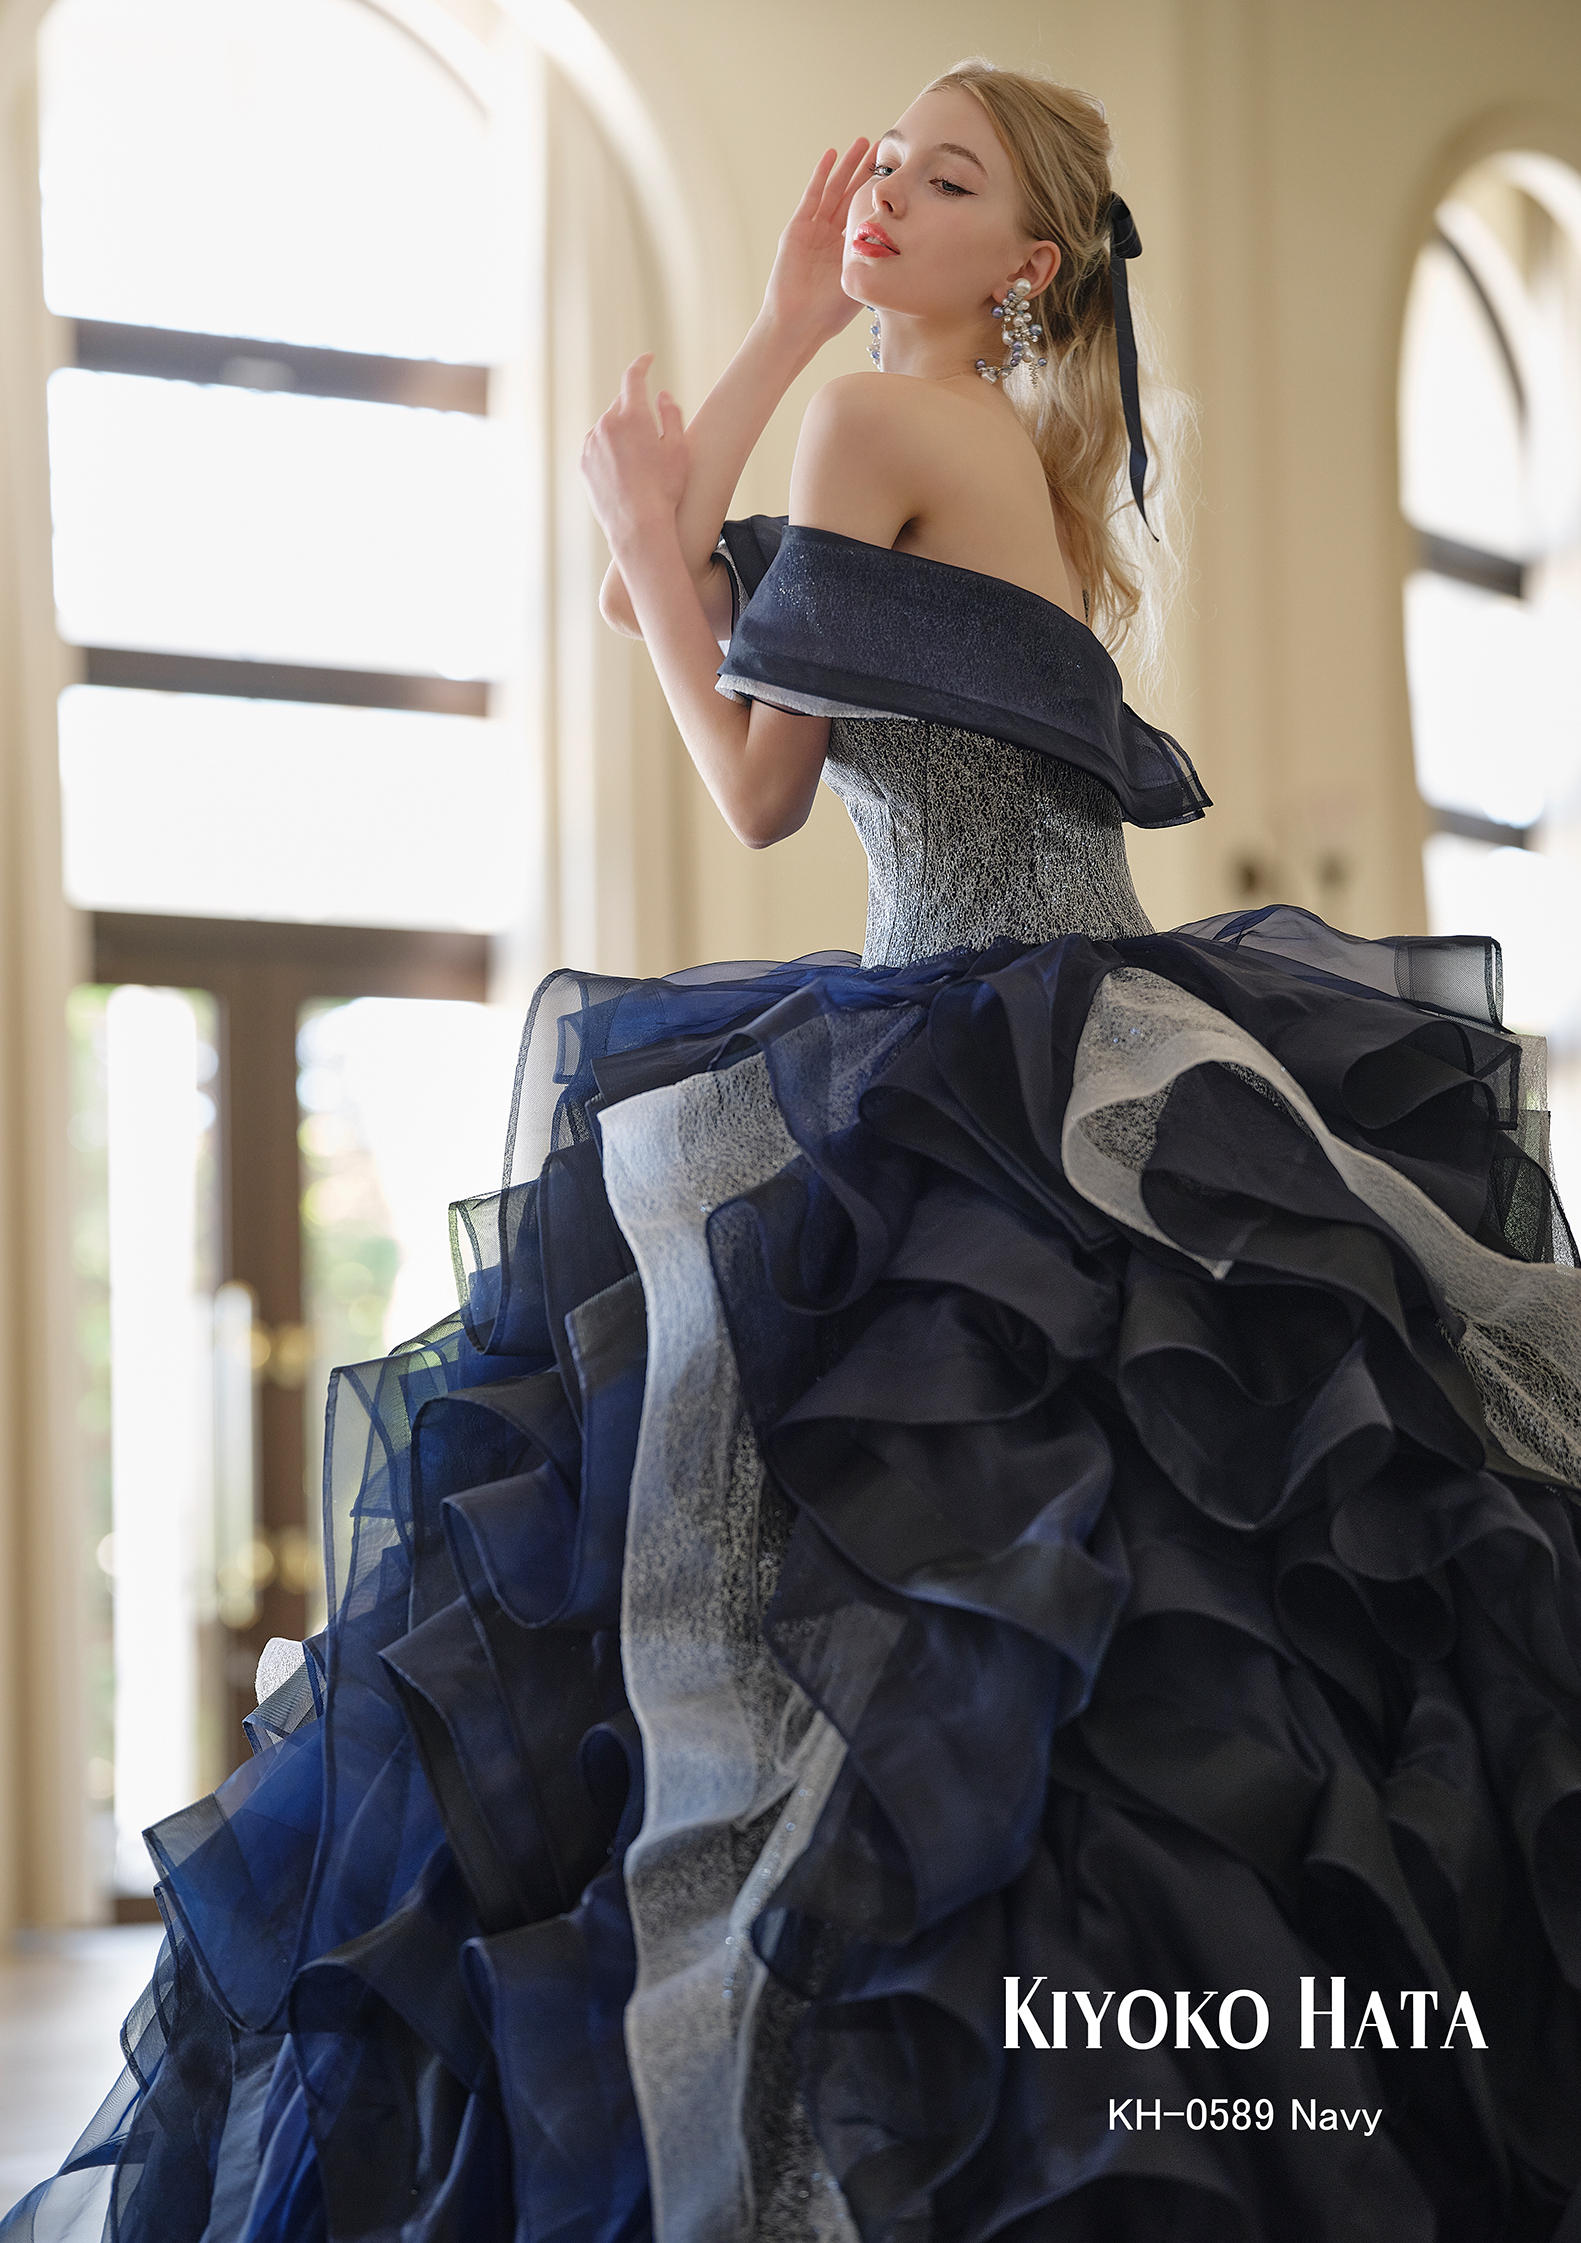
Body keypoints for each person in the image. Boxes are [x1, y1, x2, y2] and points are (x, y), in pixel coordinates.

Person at [8, 57, 1581, 2243]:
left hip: (972, 1048)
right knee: (1109, 1621)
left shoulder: (877, 426)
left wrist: (674, 490)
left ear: (1028, 264)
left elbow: (751, 778)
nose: (886, 199)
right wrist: (755, 345)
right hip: (1083, 1034)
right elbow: (706, 611)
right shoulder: (1003, 451)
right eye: (885, 169)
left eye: (944, 184)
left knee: (816, 1596)